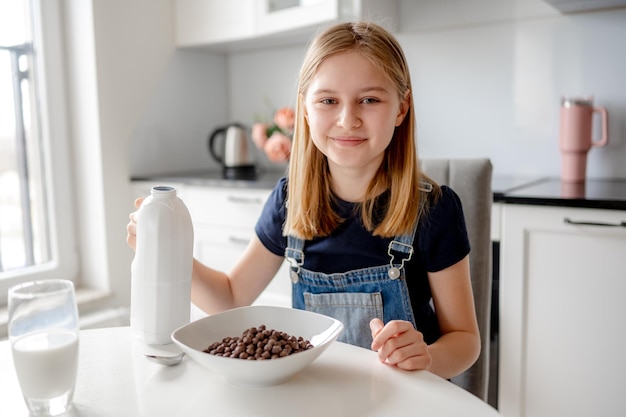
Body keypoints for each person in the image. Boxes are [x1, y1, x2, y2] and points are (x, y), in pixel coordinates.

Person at [127, 21, 480, 379]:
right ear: (306, 111)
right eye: (328, 100)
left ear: (401, 109)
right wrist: (166, 250)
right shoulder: (289, 201)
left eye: (369, 100)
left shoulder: (435, 210)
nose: (348, 119)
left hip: (404, 399)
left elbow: (464, 340)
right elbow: (230, 297)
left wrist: (427, 358)